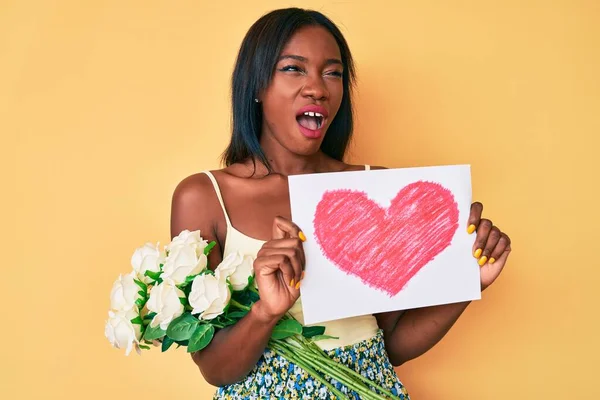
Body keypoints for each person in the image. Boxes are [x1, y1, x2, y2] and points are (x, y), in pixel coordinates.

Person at [170, 7, 512, 399]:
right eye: (294, 69)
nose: (318, 87)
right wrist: (266, 311)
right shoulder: (202, 197)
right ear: (256, 85)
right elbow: (215, 368)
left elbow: (393, 344)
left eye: (332, 73)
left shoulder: (375, 186)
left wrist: (470, 281)